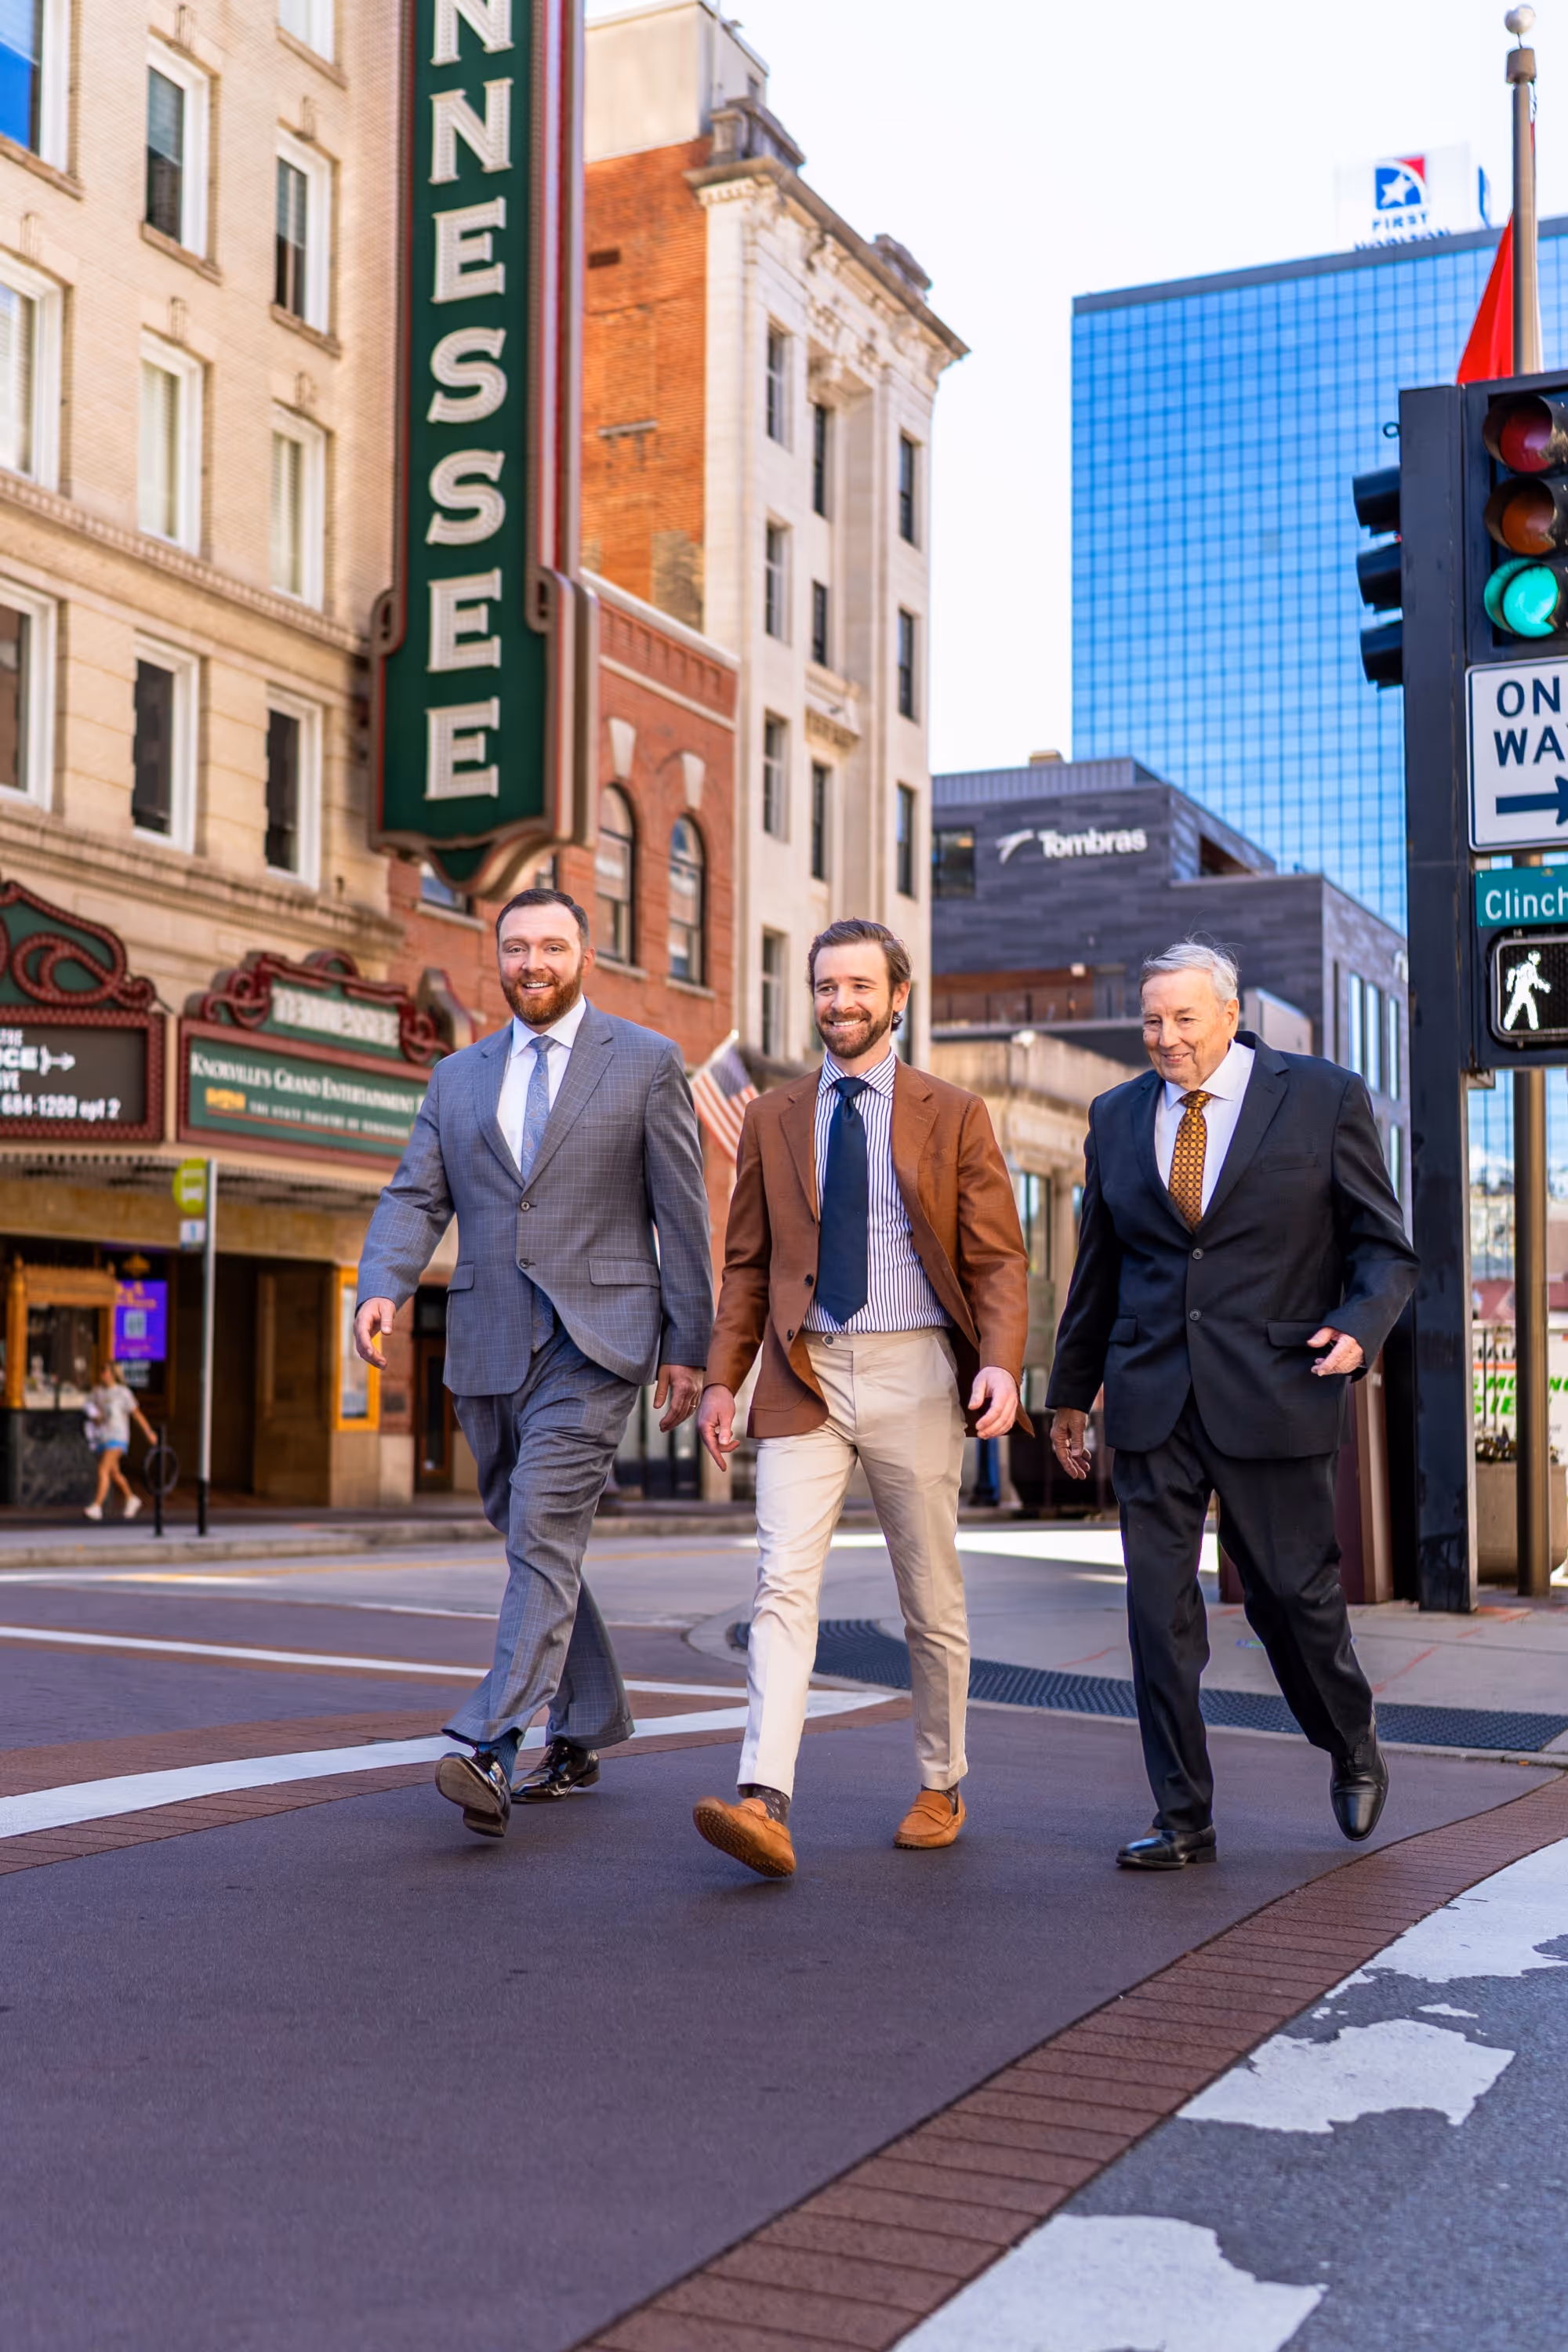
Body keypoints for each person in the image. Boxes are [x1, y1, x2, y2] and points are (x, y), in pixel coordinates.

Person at [1047, 940, 1418, 1870]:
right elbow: (1097, 1267)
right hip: (1150, 1398)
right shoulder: (1116, 1115)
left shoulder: (1322, 1097)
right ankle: (1183, 1816)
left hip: (1275, 1389)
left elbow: (1383, 1248)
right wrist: (1065, 1396)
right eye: (1150, 1020)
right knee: (1156, 1614)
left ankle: (1350, 1740)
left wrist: (1357, 1326)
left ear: (1228, 1012)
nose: (1164, 1038)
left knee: (1291, 1602)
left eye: (1182, 1019)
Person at [355, 887, 713, 1842]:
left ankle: (491, 1744)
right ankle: (587, 1722)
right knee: (532, 1539)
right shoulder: (457, 1078)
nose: (532, 964)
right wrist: (381, 1282)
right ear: (496, 959)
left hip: (597, 1339)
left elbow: (682, 1216)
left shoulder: (644, 1062)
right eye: (515, 949)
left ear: (584, 954)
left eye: (551, 946)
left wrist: (691, 1346)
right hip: (486, 1338)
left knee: (544, 1526)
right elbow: (412, 1195)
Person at [694, 919, 1030, 1878]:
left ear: (896, 997)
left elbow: (996, 1256)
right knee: (780, 1585)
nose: (838, 1002)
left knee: (928, 1594)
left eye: (855, 986)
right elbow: (746, 1264)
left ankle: (941, 1777)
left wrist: (999, 1362)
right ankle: (763, 1798)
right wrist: (724, 1378)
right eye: (823, 987)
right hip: (804, 1372)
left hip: (915, 1369)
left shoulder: (952, 1111)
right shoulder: (771, 1116)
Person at [82, 1363, 154, 1522]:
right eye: (101, 1371)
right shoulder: (98, 1392)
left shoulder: (123, 1393)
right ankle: (131, 1498)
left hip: (118, 1437)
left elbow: (136, 1414)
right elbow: (89, 1407)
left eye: (105, 1371)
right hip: (103, 1436)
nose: (103, 1375)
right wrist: (95, 1415)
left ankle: (97, 1506)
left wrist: (148, 1432)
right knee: (114, 1473)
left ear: (114, 1374)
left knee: (103, 1469)